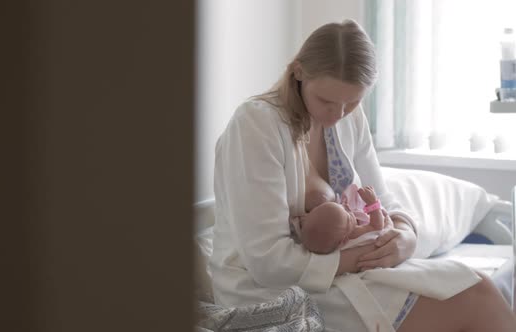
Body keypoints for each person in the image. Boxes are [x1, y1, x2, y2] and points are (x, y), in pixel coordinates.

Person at [210, 19, 516, 331]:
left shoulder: (348, 119)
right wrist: (359, 258)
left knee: (477, 286)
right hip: (270, 290)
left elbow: (385, 200)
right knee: (471, 304)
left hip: (343, 270)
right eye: (326, 101)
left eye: (352, 101)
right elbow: (267, 262)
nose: (338, 114)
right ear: (299, 72)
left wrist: (406, 237)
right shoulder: (255, 125)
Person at [292, 184, 391, 254]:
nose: (347, 206)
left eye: (341, 206)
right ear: (343, 241)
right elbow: (376, 226)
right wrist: (373, 204)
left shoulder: (333, 232)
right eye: (348, 216)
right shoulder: (352, 234)